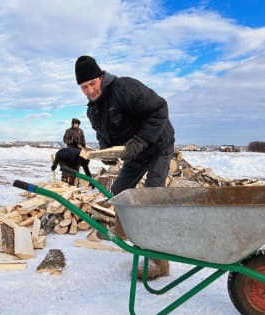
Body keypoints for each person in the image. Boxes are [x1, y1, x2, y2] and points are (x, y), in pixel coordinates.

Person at [75, 55, 175, 280]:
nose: (89, 90)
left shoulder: (124, 87)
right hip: (136, 150)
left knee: (151, 197)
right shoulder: (93, 110)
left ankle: (160, 263)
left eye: (92, 83)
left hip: (158, 143)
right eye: (83, 87)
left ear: (101, 77)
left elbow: (159, 108)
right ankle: (123, 229)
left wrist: (140, 140)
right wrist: (107, 154)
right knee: (118, 191)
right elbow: (103, 136)